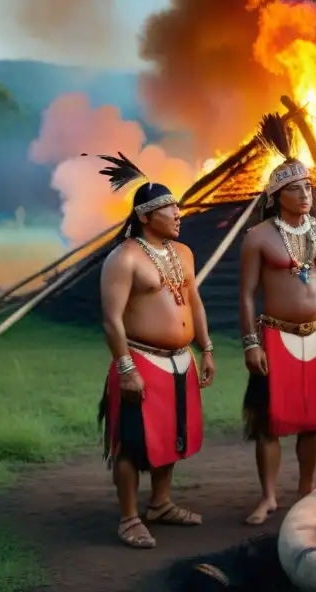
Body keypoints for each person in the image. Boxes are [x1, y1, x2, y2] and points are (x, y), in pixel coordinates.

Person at [93, 153, 215, 550]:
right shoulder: (124, 257)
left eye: (177, 207)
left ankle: (160, 504)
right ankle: (128, 518)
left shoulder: (184, 254)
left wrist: (207, 349)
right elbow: (112, 319)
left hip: (182, 360)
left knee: (172, 436)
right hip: (141, 359)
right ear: (146, 216)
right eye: (169, 209)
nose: (178, 214)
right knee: (132, 442)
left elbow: (194, 303)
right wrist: (126, 368)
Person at [239, 114, 316, 525]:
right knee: (270, 422)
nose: (305, 193)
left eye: (307, 186)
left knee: (313, 420)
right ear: (276, 195)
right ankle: (268, 496)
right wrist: (251, 344)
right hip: (275, 337)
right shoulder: (258, 238)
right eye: (294, 188)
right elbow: (246, 294)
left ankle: (306, 491)